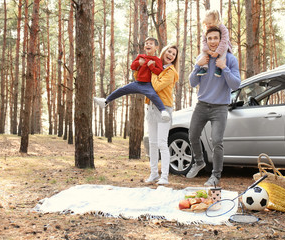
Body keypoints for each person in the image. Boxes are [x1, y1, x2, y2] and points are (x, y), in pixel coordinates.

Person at [187, 26, 241, 187]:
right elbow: (192, 82)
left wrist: (224, 68)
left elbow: (236, 84)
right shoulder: (202, 57)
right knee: (192, 135)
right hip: (202, 105)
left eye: (215, 38)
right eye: (209, 38)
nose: (212, 41)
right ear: (206, 40)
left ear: (221, 40)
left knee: (217, 141)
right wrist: (198, 65)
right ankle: (199, 162)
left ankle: (215, 176)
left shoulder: (230, 59)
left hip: (220, 107)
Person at [94, 37, 170, 121]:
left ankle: (163, 111)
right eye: (146, 43)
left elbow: (159, 72)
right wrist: (139, 63)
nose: (148, 45)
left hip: (148, 85)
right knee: (122, 89)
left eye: (150, 43)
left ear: (156, 47)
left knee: (153, 95)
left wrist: (152, 66)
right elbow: (132, 66)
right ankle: (105, 102)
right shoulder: (141, 57)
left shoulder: (157, 60)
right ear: (144, 47)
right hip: (137, 83)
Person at [144, 45, 179, 185]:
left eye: (174, 54)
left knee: (162, 143)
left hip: (165, 108)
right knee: (152, 143)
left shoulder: (171, 72)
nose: (171, 55)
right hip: (151, 107)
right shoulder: (156, 65)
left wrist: (152, 70)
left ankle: (164, 176)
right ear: (164, 52)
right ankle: (153, 174)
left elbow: (157, 86)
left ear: (175, 58)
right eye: (169, 51)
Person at [197, 9, 232, 78]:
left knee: (224, 49)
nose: (208, 25)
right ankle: (204, 67)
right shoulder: (206, 29)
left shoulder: (222, 28)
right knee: (203, 50)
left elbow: (224, 40)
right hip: (210, 48)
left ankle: (219, 67)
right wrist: (208, 51)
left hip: (222, 45)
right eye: (206, 24)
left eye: (210, 23)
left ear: (216, 21)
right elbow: (203, 41)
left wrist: (218, 52)